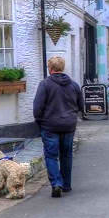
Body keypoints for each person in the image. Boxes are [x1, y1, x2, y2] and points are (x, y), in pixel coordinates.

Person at [33, 56, 83, 198]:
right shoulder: (74, 85)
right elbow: (81, 106)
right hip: (69, 125)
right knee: (66, 154)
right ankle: (66, 184)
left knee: (51, 155)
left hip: (50, 126)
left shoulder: (45, 84)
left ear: (50, 68)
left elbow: (37, 107)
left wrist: (39, 120)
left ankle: (56, 183)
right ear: (63, 67)